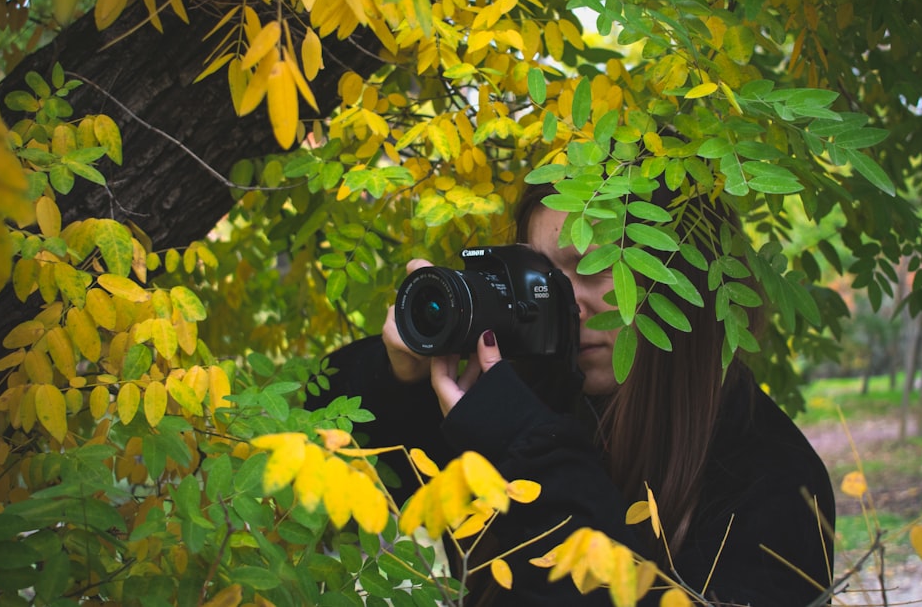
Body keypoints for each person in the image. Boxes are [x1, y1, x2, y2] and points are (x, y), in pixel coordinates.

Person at [307, 181, 836, 606]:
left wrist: (528, 447)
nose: (565, 305)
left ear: (686, 281)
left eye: (593, 266)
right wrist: (397, 376)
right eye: (542, 276)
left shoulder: (774, 477)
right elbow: (309, 431)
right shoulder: (521, 395)